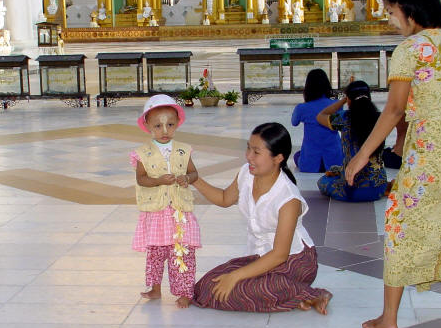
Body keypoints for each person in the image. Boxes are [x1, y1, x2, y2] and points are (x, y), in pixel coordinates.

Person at [345, 0, 441, 328]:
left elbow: (395, 110)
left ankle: (388, 319)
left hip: (430, 152)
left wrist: (360, 157)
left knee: (399, 223)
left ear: (410, 10)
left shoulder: (411, 49)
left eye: (391, 11)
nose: (389, 20)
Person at [192, 123, 332, 313]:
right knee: (207, 286)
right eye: (248, 148)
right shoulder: (245, 173)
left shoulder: (288, 198)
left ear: (278, 158)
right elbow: (225, 199)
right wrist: (194, 180)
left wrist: (235, 277)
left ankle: (310, 293)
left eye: (256, 152)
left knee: (238, 289)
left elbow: (280, 254)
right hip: (260, 256)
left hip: (294, 262)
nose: (249, 156)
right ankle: (293, 295)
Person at [130, 95, 201, 309]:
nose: (164, 130)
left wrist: (187, 179)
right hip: (157, 213)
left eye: (170, 125)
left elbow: (194, 173)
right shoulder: (143, 153)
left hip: (179, 213)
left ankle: (185, 292)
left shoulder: (183, 150)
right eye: (158, 126)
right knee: (156, 254)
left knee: (182, 253)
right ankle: (154, 288)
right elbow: (140, 179)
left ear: (177, 123)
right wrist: (158, 181)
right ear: (148, 126)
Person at [316, 81, 387, 202]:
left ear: (349, 99)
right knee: (337, 169)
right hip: (378, 188)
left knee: (323, 181)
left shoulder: (344, 118)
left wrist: (343, 100)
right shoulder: (381, 118)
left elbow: (321, 115)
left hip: (351, 191)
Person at [291, 69, 343, 173]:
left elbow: (294, 122)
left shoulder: (302, 108)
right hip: (335, 162)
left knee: (297, 155)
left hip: (310, 163)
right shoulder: (336, 105)